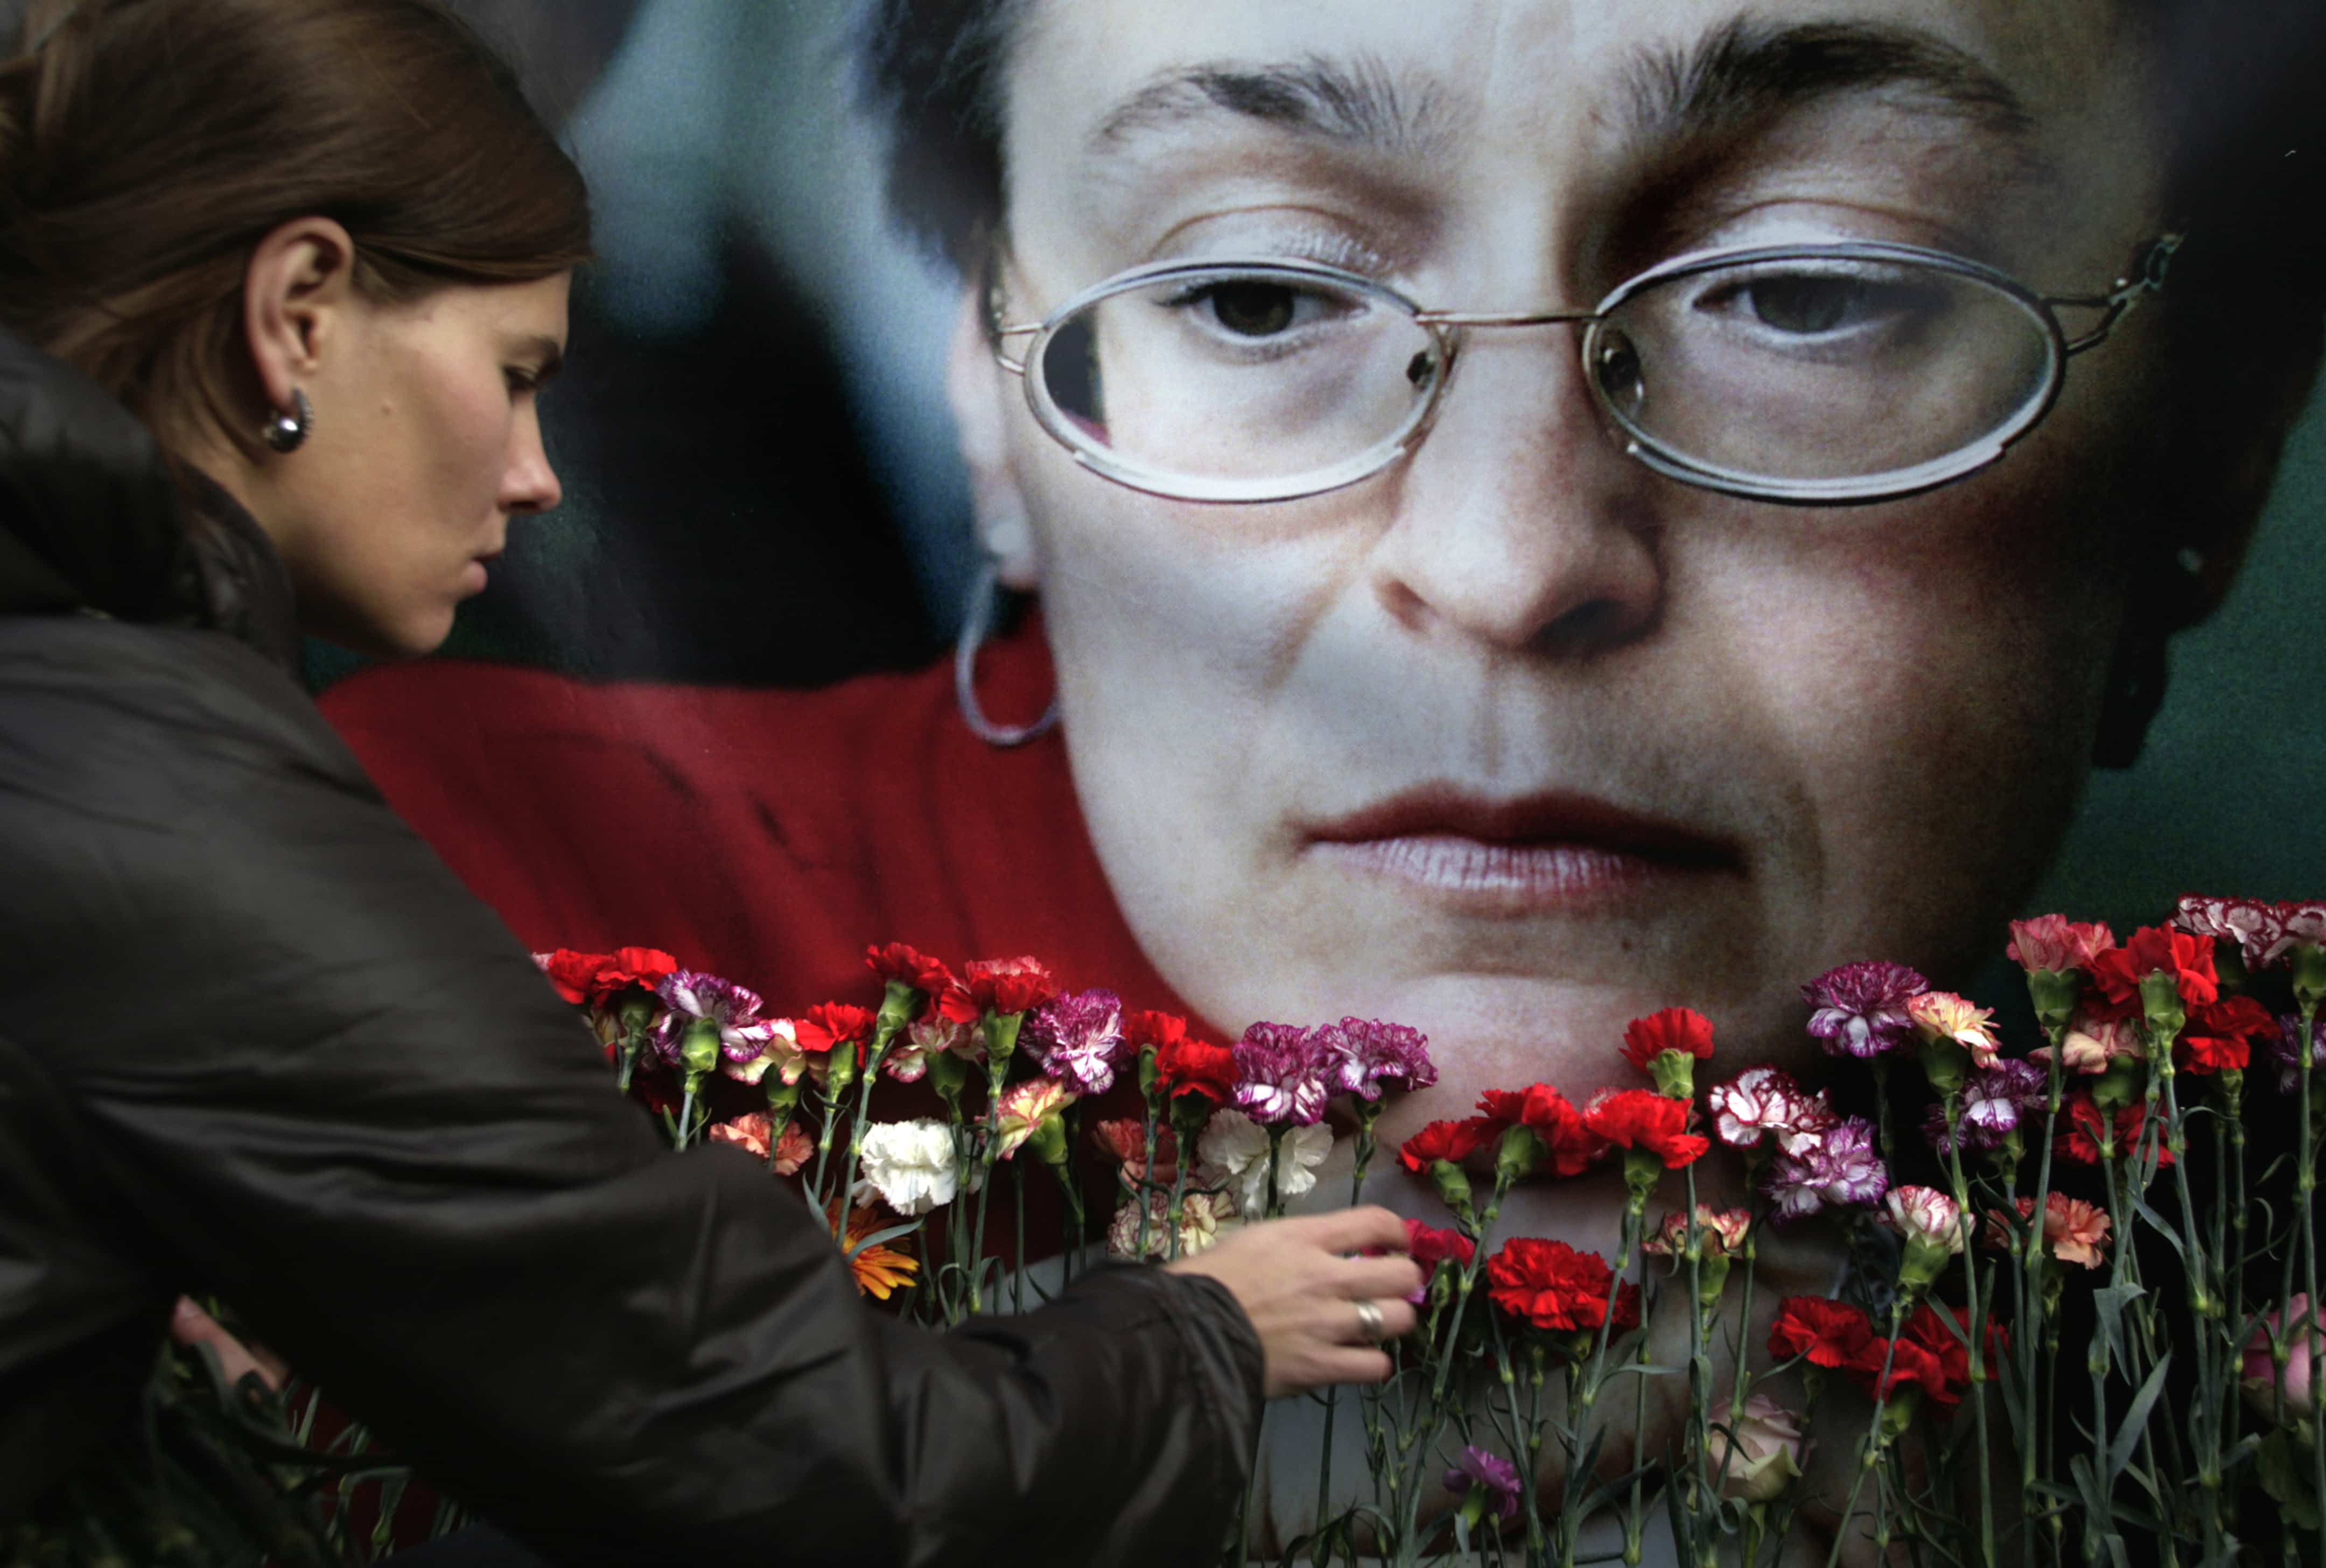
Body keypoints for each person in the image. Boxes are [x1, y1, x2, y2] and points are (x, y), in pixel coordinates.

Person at [313, 0, 2326, 1549]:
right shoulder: (452, 945)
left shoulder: (2236, 1279)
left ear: (2207, 454)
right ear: (995, 407)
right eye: (1262, 291)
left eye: (1809, 290)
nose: (1510, 555)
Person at [0, 0, 1428, 1562]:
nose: (537, 470)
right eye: (514, 367)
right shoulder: (161, 791)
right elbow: (782, 1444)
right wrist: (1203, 1330)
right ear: (300, 315)